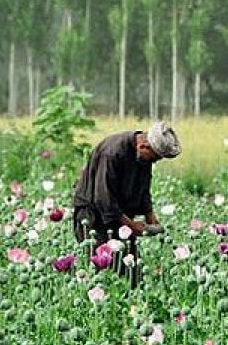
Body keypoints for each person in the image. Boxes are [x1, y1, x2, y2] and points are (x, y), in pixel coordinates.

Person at [71, 122, 181, 287]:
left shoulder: (143, 157)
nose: (155, 162)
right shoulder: (112, 153)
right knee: (103, 273)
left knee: (132, 273)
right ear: (144, 146)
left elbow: (143, 187)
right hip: (93, 218)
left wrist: (150, 216)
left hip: (120, 217)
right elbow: (103, 199)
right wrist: (131, 226)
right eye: (155, 158)